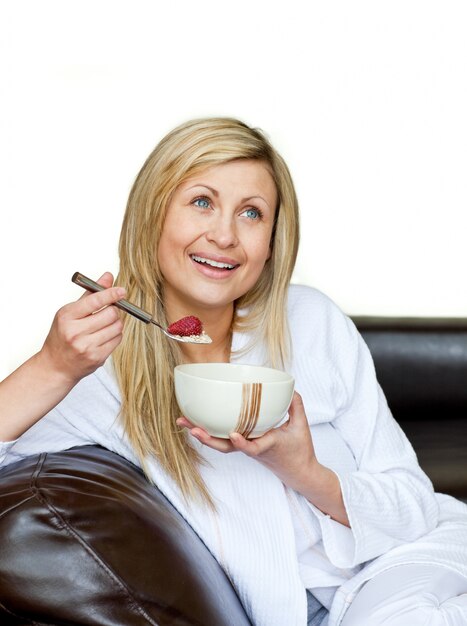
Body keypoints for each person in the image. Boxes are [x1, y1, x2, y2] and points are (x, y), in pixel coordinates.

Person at [1, 117, 467, 626]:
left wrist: (304, 471)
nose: (224, 235)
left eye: (251, 213)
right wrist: (53, 366)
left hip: (409, 567)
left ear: (270, 242)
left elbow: (413, 505)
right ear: (152, 215)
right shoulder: (106, 373)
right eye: (202, 202)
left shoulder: (309, 320)